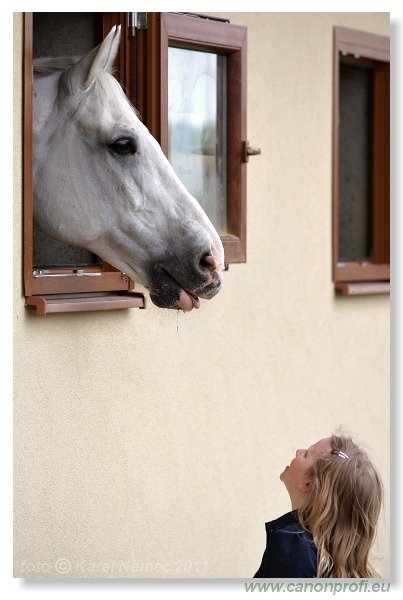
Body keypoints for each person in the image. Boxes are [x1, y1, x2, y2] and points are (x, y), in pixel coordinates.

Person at [253, 434, 383, 578]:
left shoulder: (292, 545)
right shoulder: (330, 562)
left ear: (308, 484)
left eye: (306, 454)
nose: (299, 451)